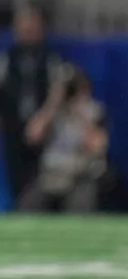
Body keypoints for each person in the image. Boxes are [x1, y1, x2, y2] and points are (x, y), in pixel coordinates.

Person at [0, 5, 66, 207]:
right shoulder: (5, 59)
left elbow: (57, 90)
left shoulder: (49, 58)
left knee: (42, 176)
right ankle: (21, 209)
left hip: (44, 128)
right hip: (14, 127)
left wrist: (43, 120)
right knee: (15, 174)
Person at [18, 66, 108, 213]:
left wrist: (78, 111)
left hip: (78, 177)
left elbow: (97, 145)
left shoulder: (94, 112)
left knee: (79, 207)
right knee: (27, 206)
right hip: (51, 176)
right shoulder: (53, 112)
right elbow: (32, 135)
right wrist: (53, 101)